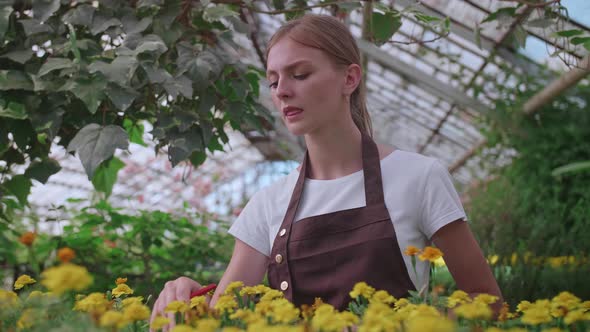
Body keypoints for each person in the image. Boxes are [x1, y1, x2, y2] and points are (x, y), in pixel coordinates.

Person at [150, 13, 503, 329]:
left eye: (299, 74)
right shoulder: (268, 204)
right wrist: (184, 292)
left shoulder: (419, 177)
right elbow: (221, 314)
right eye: (273, 82)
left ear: (349, 79)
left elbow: (489, 303)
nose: (283, 91)